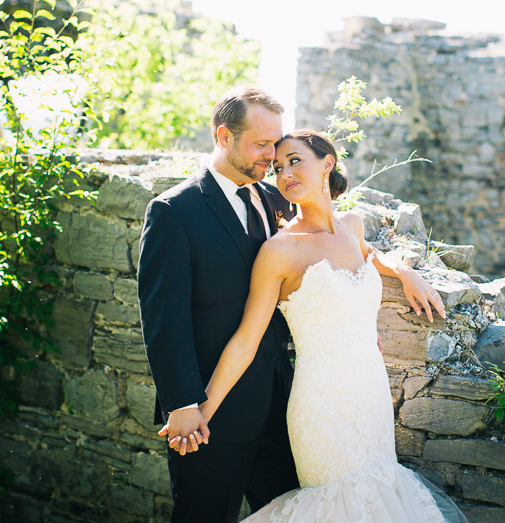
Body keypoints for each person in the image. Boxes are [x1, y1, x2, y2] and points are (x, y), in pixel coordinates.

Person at [182, 129, 469, 522]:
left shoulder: (352, 225)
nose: (285, 174)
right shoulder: (280, 250)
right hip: (321, 405)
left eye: (295, 160)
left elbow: (370, 257)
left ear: (327, 163)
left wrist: (404, 272)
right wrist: (200, 411)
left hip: (371, 394)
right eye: (278, 167)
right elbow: (246, 341)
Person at [138, 86, 300, 523]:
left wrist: (399, 270)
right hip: (209, 414)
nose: (273, 154)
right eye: (262, 144)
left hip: (282, 406)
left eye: (276, 142)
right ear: (224, 136)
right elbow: (162, 320)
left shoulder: (277, 200)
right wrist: (183, 404)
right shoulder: (174, 210)